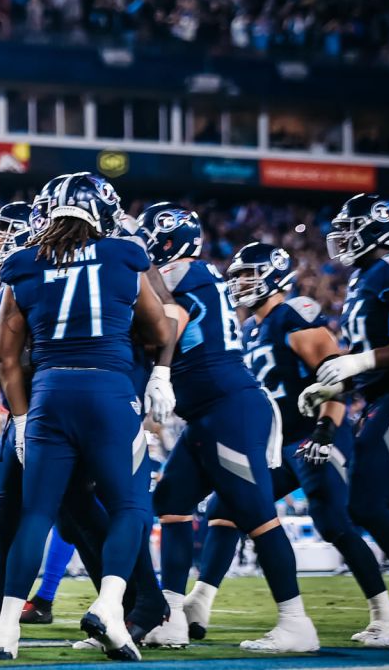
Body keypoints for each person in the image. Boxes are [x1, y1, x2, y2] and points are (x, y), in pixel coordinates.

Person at [0, 174, 175, 662]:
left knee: (37, 513)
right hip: (108, 392)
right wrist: (161, 374)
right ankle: (111, 607)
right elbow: (162, 327)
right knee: (131, 506)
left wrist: (23, 420)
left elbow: (7, 360)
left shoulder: (23, 264)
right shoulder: (124, 255)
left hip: (49, 394)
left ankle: (4, 629)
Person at [183, 242, 389, 645]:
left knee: (333, 521)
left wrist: (326, 430)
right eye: (236, 276)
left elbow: (335, 376)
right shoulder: (249, 328)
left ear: (273, 274)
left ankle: (384, 614)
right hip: (275, 443)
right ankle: (199, 602)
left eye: (248, 274)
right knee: (225, 506)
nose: (240, 283)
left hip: (313, 434)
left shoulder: (293, 314)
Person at [139, 203, 319, 652]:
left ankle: (296, 623)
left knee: (255, 511)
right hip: (208, 410)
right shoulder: (190, 274)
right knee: (172, 502)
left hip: (230, 406)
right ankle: (173, 615)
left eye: (151, 239)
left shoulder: (181, 272)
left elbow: (168, 326)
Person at [300, 194, 389, 646]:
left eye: (350, 228)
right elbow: (371, 362)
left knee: (363, 502)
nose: (341, 238)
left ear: (376, 229)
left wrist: (359, 363)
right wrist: (334, 386)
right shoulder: (366, 277)